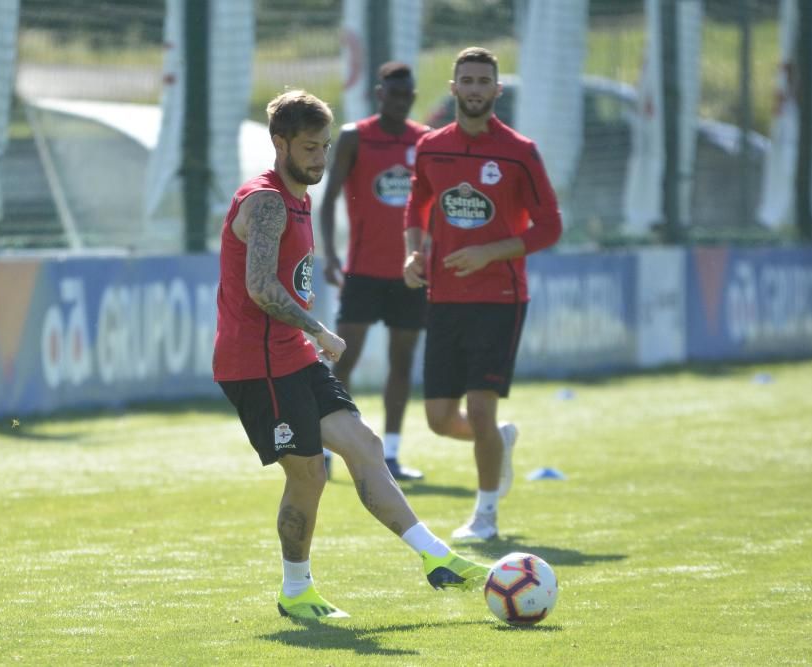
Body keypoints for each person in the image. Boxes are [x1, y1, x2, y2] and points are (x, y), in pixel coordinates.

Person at [213, 90, 488, 620]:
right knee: (309, 474)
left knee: (364, 444)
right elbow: (260, 287)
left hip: (290, 353)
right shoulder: (266, 202)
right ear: (280, 143)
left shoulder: (300, 196)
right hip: (258, 363)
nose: (320, 159)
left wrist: (309, 337)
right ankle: (296, 591)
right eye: (310, 148)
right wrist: (320, 330)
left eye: (325, 147)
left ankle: (437, 559)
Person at [402, 47, 562, 541]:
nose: (474, 89)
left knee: (482, 406)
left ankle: (486, 515)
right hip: (444, 299)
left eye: (482, 81)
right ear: (453, 89)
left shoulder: (520, 151)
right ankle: (498, 442)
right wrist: (413, 254)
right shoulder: (431, 147)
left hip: (500, 300)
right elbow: (417, 207)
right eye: (466, 80)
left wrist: (491, 253)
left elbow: (550, 227)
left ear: (496, 90)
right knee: (438, 420)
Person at [319, 62, 429, 482]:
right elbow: (328, 199)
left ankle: (394, 455)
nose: (400, 100)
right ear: (380, 93)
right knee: (344, 359)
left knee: (401, 362)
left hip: (410, 273)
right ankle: (326, 449)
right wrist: (330, 254)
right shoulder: (355, 137)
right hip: (362, 271)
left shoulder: (426, 141)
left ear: (413, 96)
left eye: (407, 94)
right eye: (393, 92)